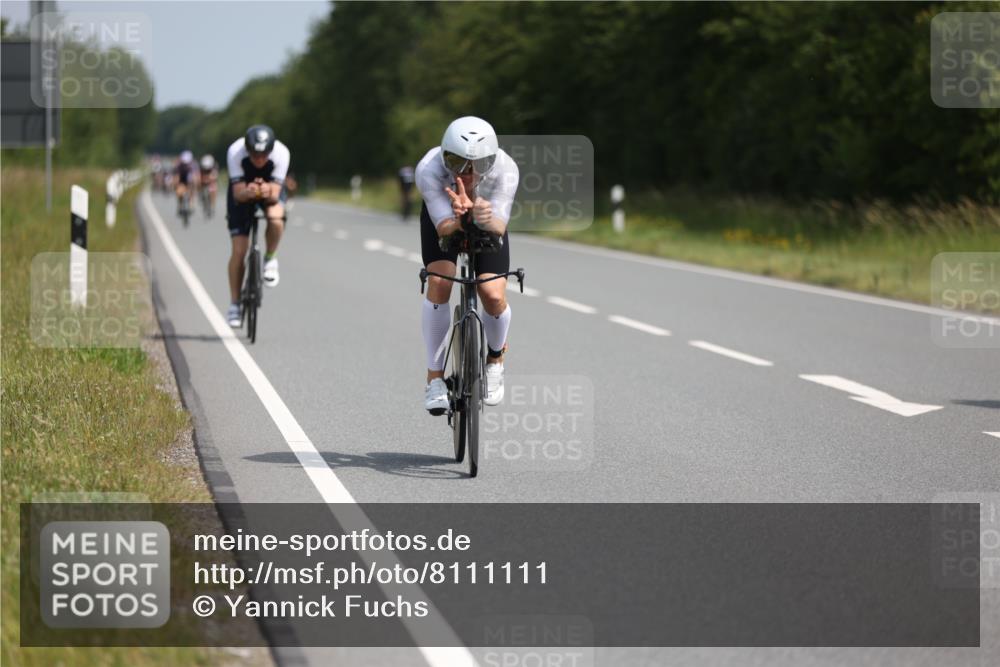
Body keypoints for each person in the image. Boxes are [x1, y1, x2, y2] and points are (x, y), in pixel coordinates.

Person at [416, 116, 519, 414]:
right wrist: (460, 218)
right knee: (439, 280)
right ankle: (434, 377)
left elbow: (497, 227)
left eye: (479, 165)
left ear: (493, 160)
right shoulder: (429, 169)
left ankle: (495, 358)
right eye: (457, 163)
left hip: (486, 219)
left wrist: (481, 215)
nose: (468, 173)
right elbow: (445, 230)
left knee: (493, 293)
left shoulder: (506, 169)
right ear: (443, 156)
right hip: (445, 219)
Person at [224, 124, 291, 327]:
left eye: (264, 155)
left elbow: (276, 191)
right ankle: (234, 304)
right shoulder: (235, 151)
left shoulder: (281, 153)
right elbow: (237, 192)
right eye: (254, 155)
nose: (259, 159)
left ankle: (270, 258)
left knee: (276, 219)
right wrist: (248, 192)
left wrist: (264, 191)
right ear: (247, 150)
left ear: (271, 150)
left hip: (270, 191)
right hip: (243, 191)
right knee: (239, 250)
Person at [174, 150, 197, 215]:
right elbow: (177, 177)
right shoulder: (179, 166)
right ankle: (180, 205)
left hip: (190, 182)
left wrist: (195, 185)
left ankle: (191, 203)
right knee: (179, 192)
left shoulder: (193, 166)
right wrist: (176, 185)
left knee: (191, 191)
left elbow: (196, 176)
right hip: (182, 181)